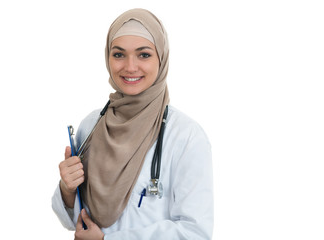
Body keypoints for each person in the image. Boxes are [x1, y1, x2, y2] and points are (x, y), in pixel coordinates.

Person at [52, 8, 213, 240]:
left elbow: (195, 232)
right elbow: (76, 220)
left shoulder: (186, 137)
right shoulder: (91, 126)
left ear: (162, 58)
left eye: (144, 55)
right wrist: (68, 190)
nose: (130, 67)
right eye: (118, 54)